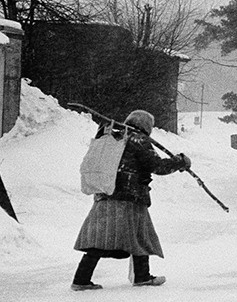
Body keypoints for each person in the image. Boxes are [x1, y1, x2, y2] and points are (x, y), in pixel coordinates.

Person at [71, 109, 190, 291]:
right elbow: (157, 166)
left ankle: (81, 279)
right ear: (146, 126)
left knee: (99, 239)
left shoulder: (115, 137)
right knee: (141, 236)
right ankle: (142, 277)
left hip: (106, 193)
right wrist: (180, 161)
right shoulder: (138, 140)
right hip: (130, 196)